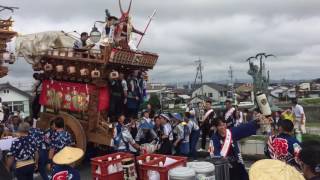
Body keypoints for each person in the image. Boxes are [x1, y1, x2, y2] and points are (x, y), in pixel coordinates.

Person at [211, 115, 262, 180]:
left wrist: (256, 122)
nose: (223, 127)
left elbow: (243, 128)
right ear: (216, 127)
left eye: (224, 124)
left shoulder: (230, 132)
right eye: (220, 125)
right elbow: (213, 154)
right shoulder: (214, 138)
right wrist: (222, 160)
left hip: (237, 162)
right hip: (225, 165)